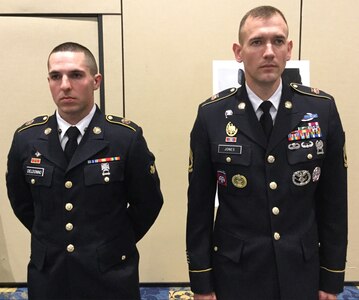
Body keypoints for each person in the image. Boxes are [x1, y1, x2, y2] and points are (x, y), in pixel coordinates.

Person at [186, 6, 347, 300]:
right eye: (257, 42)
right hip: (236, 271)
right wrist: (201, 281)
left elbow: (334, 202)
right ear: (239, 51)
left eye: (277, 41)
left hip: (301, 270)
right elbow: (198, 207)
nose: (269, 51)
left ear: (289, 49)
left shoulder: (320, 110)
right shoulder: (212, 115)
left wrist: (332, 276)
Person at [6, 42, 163, 300]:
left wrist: (112, 245)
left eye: (76, 75)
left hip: (110, 276)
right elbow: (22, 203)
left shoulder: (124, 138)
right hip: (49, 276)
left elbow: (148, 203)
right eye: (56, 76)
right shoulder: (27, 139)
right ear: (49, 82)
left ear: (96, 81)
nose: (65, 85)